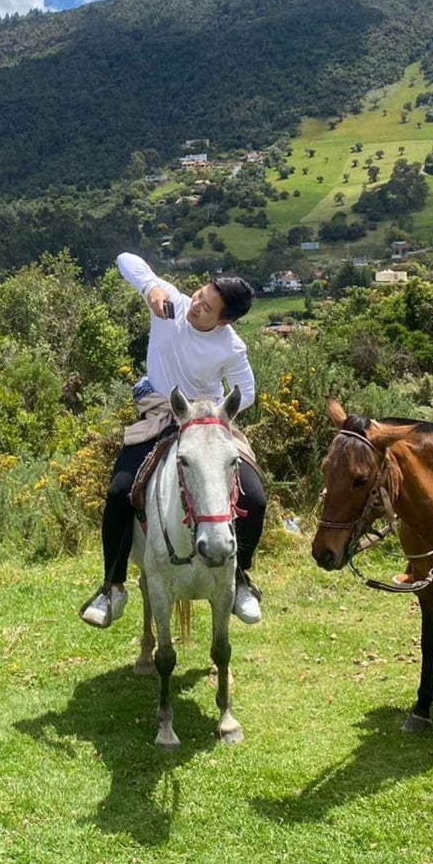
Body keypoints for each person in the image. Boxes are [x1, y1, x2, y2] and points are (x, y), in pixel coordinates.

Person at [80, 253, 265, 628]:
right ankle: (112, 587)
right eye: (199, 294)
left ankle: (240, 578)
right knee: (119, 491)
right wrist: (150, 287)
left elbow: (246, 391)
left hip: (208, 423)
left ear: (224, 320)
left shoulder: (231, 347)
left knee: (255, 496)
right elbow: (125, 259)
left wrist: (212, 413)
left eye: (208, 307)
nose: (196, 305)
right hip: (161, 414)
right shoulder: (172, 305)